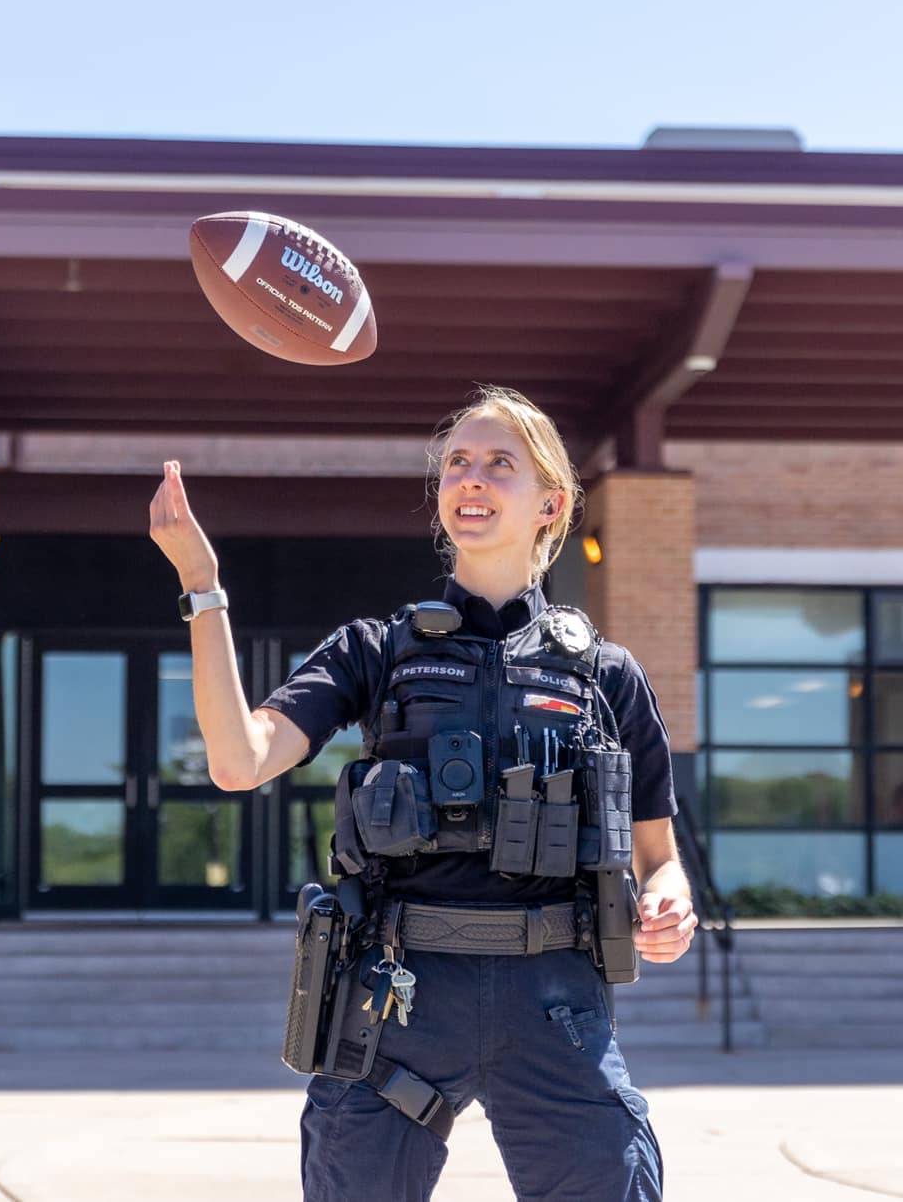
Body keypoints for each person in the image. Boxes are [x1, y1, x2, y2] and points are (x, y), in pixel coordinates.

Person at [148, 385, 696, 1202]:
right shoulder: (375, 650)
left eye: (497, 465)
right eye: (458, 465)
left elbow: (661, 860)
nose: (470, 479)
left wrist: (668, 907)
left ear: (550, 503)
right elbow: (238, 759)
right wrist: (203, 585)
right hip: (398, 997)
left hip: (555, 1003)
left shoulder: (606, 674)